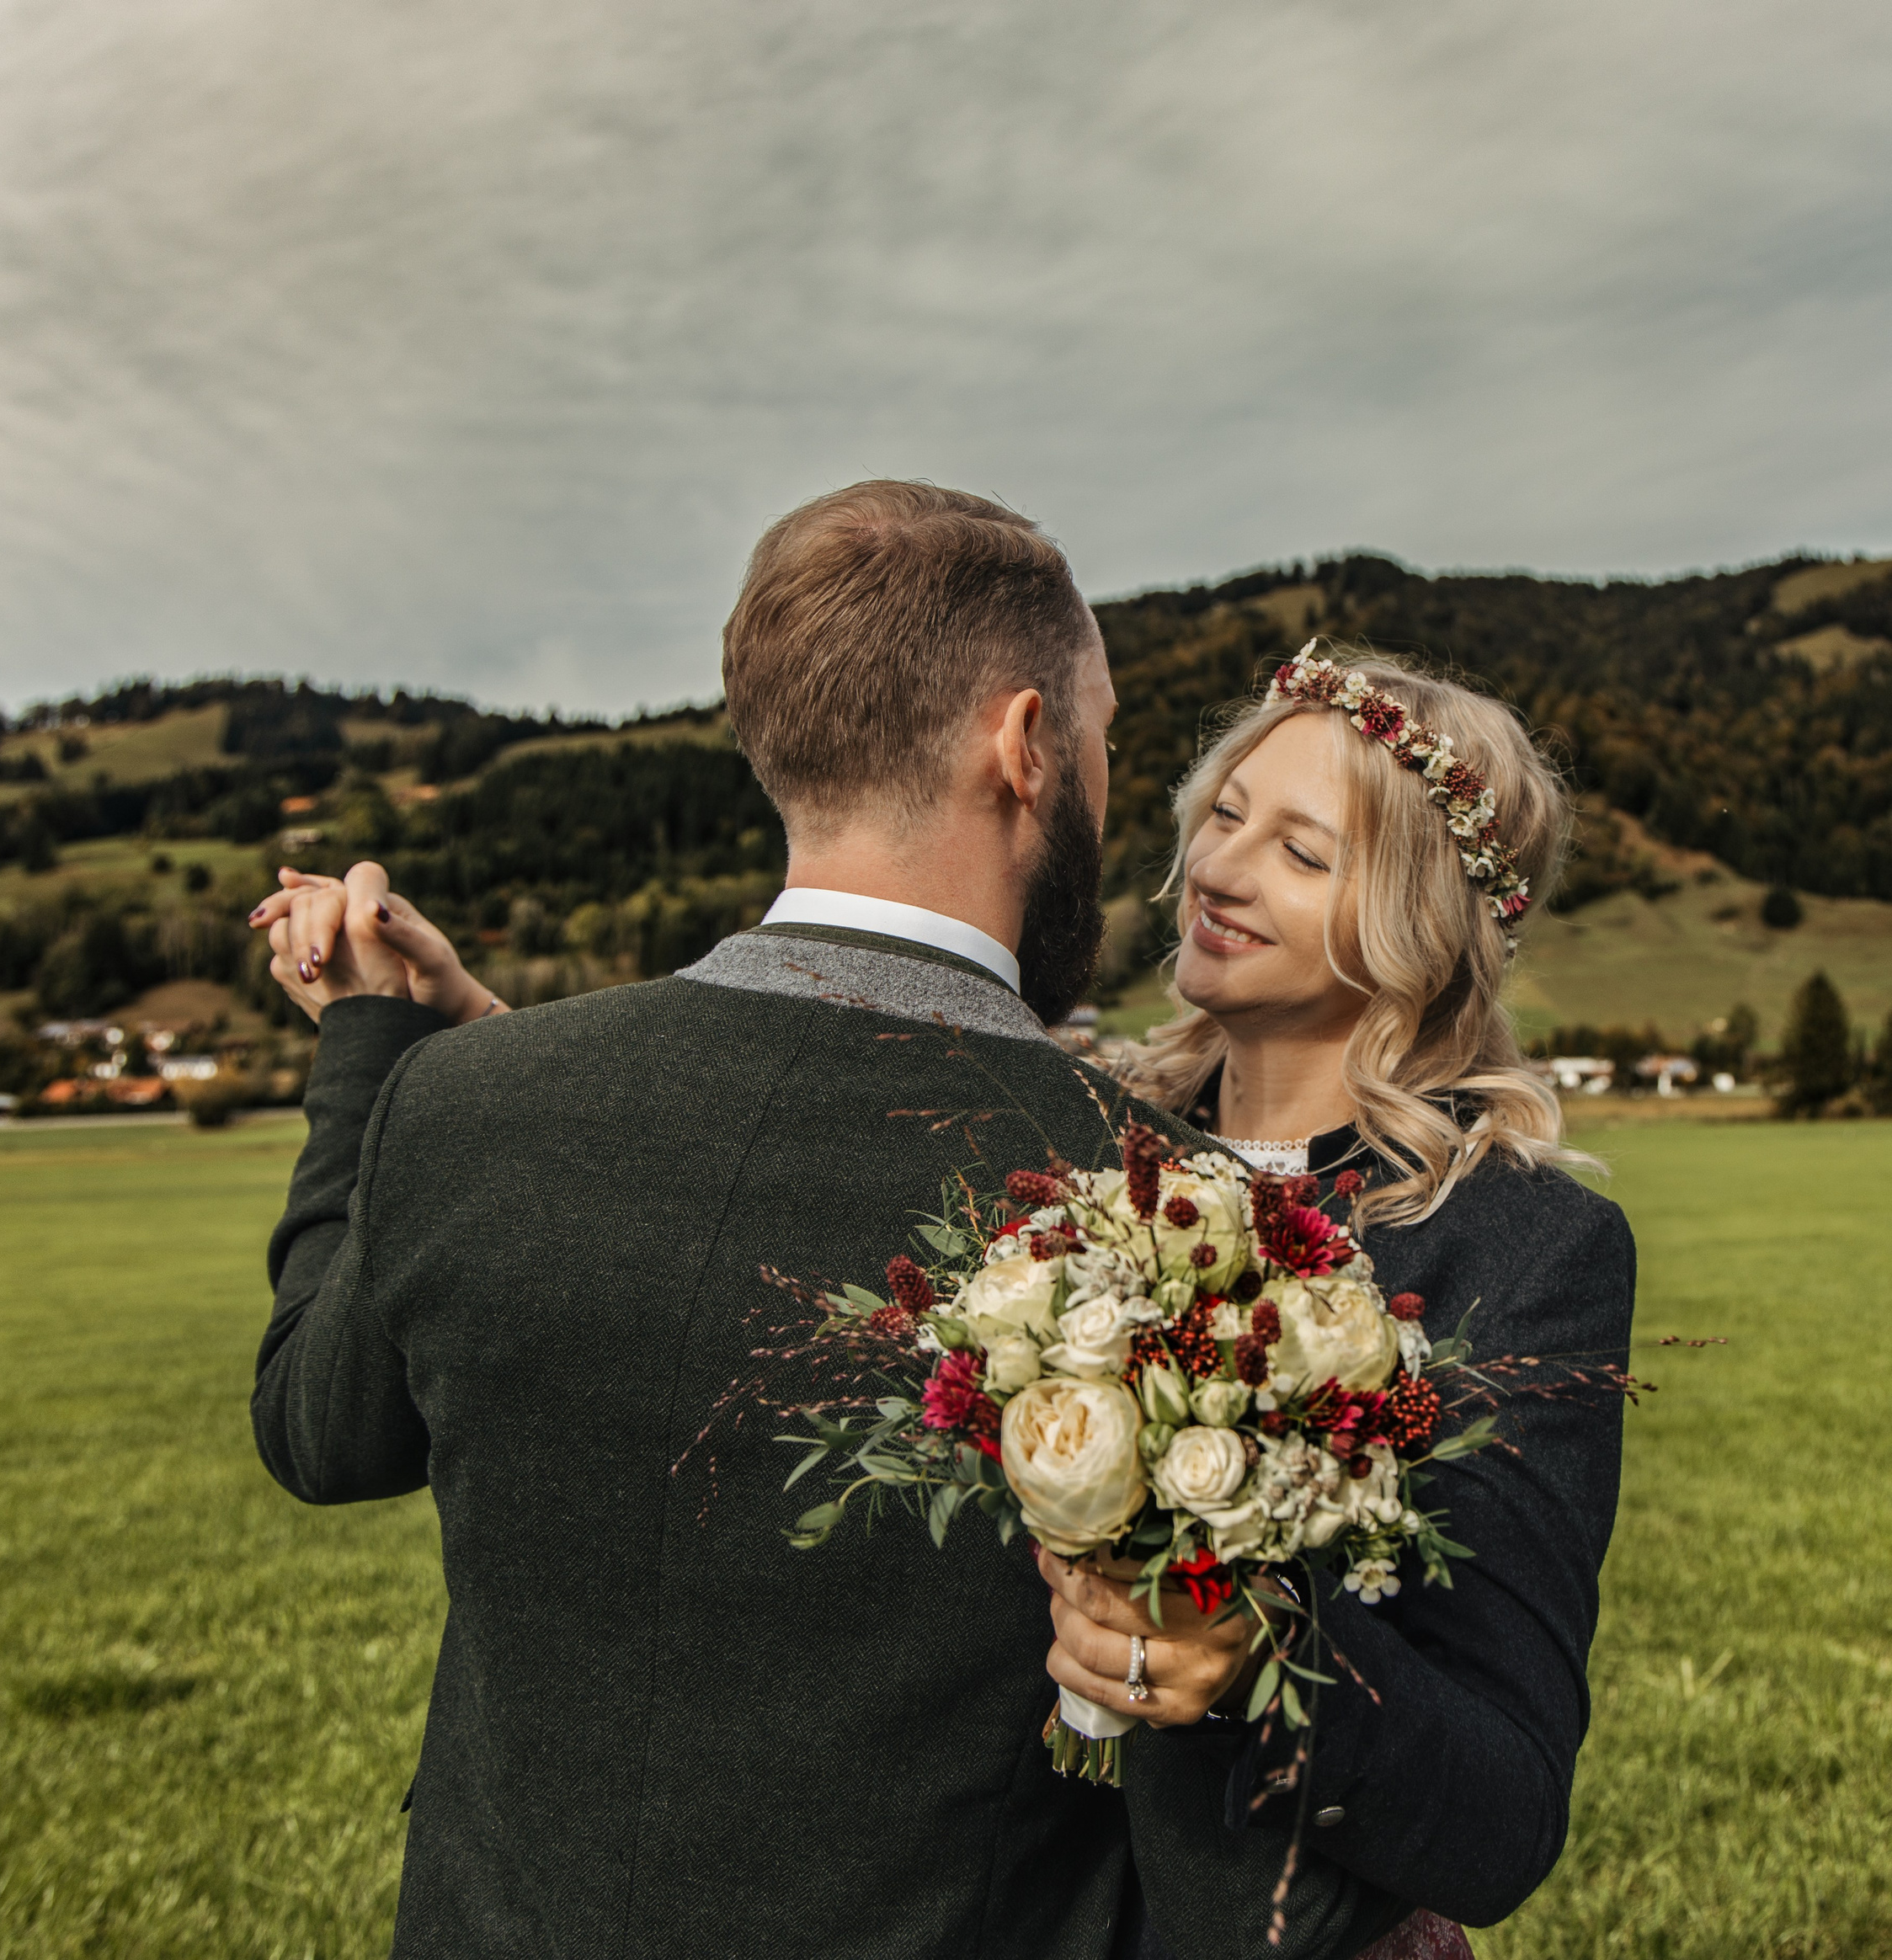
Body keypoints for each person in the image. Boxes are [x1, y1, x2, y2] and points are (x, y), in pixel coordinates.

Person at [249, 481, 1244, 1959]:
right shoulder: (1167, 1201)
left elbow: (319, 1437)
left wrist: (372, 1052)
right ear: (1026, 747)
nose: (1100, 782)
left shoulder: (466, 1108)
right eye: (1100, 743)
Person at [1037, 645, 1637, 1960]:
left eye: (1303, 855)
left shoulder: (1526, 1246)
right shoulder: (1071, 1155)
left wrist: (1260, 1668)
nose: (1222, 870)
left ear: (1421, 926)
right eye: (1227, 816)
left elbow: (1503, 1811)